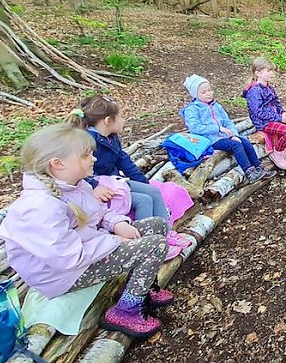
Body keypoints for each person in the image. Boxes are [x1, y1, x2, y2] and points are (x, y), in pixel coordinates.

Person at [0, 123, 173, 338]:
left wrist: (117, 224)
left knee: (157, 225)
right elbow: (68, 258)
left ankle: (141, 287)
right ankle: (126, 311)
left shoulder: (78, 186)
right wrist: (116, 242)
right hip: (63, 274)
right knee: (155, 246)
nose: (94, 159)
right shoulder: (40, 207)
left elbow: (100, 213)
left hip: (88, 248)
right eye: (86, 155)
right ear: (58, 164)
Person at [67, 96, 192, 256]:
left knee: (153, 192)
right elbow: (79, 172)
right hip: (101, 189)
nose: (123, 120)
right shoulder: (87, 142)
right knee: (144, 200)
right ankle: (147, 243)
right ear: (107, 120)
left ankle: (165, 234)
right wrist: (95, 187)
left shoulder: (111, 138)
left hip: (115, 182)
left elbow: (125, 162)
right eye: (120, 116)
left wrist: (145, 184)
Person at [182, 74, 274, 182]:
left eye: (209, 90)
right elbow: (195, 128)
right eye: (203, 92)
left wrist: (234, 134)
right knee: (236, 145)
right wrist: (217, 128)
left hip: (224, 136)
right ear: (195, 95)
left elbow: (227, 121)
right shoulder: (192, 109)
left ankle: (259, 167)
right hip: (209, 139)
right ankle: (249, 172)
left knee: (245, 142)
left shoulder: (216, 106)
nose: (208, 94)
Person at [243, 57, 286, 170]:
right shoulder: (253, 91)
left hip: (276, 117)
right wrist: (279, 118)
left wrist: (283, 113)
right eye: (268, 71)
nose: (272, 73)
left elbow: (277, 104)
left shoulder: (269, 88)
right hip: (264, 122)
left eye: (272, 70)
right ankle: (277, 152)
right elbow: (258, 112)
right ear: (258, 73)